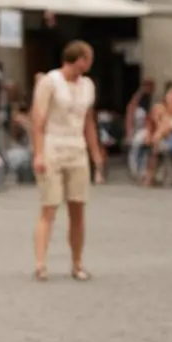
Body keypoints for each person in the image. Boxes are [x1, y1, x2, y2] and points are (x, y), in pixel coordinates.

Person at [31, 40, 103, 282]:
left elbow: (88, 121)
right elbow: (38, 119)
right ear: (79, 59)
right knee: (49, 206)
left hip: (76, 148)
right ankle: (41, 263)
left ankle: (77, 262)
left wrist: (95, 152)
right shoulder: (50, 82)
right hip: (53, 144)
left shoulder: (87, 85)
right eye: (88, 57)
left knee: (78, 208)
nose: (90, 63)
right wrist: (39, 153)